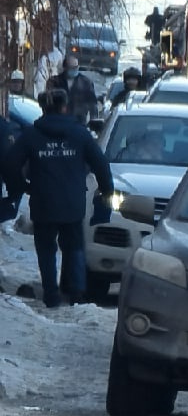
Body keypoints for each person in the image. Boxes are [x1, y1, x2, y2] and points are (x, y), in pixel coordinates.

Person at [2, 89, 114, 307]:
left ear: (43, 108)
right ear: (65, 107)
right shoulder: (79, 134)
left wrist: (22, 186)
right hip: (72, 203)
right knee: (74, 248)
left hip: (43, 201)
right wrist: (106, 190)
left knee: (46, 250)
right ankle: (76, 294)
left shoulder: (32, 135)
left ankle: (51, 295)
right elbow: (100, 162)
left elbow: (9, 163)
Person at [45, 55, 99, 125]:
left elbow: (93, 104)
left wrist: (94, 122)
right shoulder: (55, 82)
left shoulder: (86, 82)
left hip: (79, 122)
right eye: (71, 68)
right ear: (65, 68)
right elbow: (48, 102)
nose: (74, 70)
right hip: (59, 122)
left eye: (76, 67)